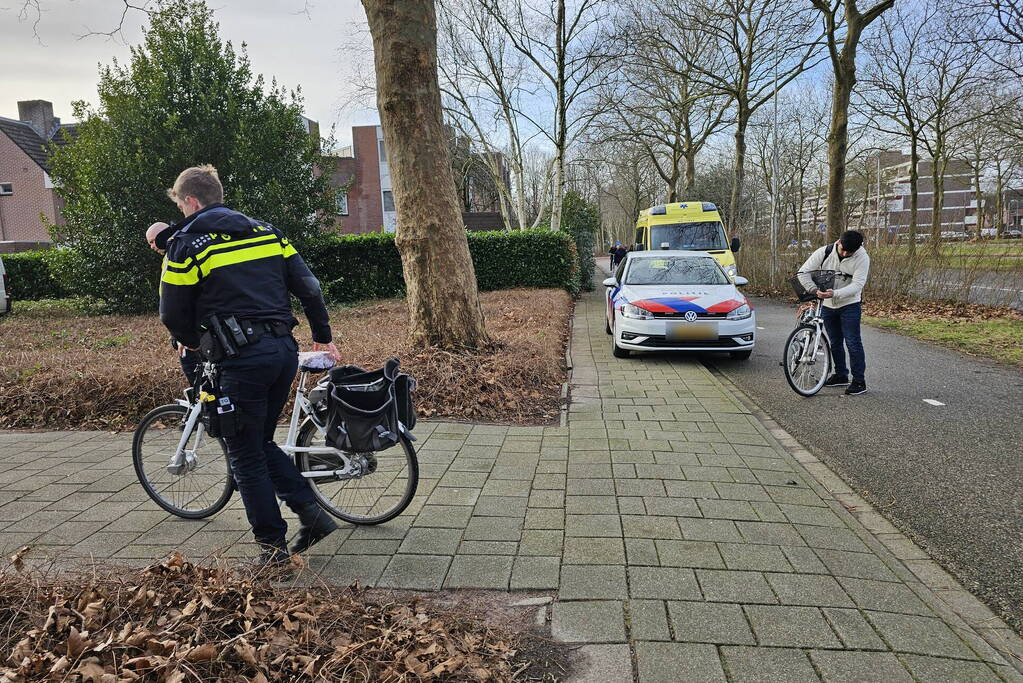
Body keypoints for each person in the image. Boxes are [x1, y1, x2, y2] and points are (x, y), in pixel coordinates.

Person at [159, 164, 341, 569]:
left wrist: (192, 343)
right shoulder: (267, 232)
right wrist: (323, 334)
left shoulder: (188, 243)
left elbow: (171, 312)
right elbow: (308, 286)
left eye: (180, 204)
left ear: (190, 201)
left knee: (243, 453)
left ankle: (272, 551)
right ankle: (311, 514)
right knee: (259, 442)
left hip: (238, 361)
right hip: (281, 354)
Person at [799, 229, 871, 395]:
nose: (845, 253)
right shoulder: (824, 252)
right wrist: (814, 290)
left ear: (858, 248)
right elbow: (803, 272)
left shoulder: (862, 258)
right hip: (827, 304)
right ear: (838, 242)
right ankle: (840, 374)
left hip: (850, 304)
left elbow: (858, 285)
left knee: (852, 342)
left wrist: (835, 293)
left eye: (849, 252)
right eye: (842, 249)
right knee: (834, 341)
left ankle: (859, 381)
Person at [146, 221, 201, 385]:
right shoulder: (170, 256)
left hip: (193, 338)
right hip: (188, 336)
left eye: (152, 241)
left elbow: (183, 302)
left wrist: (188, 339)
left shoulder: (178, 256)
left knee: (202, 387)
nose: (151, 246)